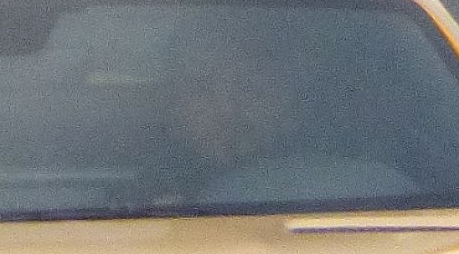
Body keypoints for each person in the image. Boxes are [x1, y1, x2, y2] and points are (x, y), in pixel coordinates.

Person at [163, 36, 418, 209]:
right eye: (202, 90)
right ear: (170, 107)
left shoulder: (374, 189)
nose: (228, 110)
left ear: (292, 106)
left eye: (249, 90)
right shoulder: (145, 212)